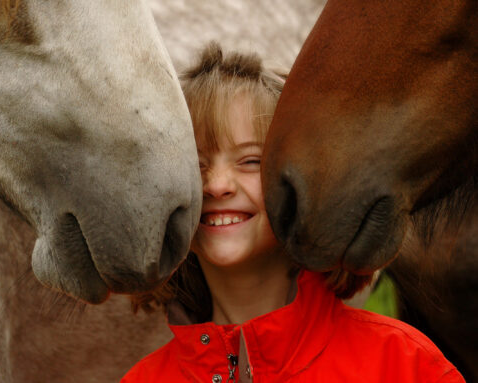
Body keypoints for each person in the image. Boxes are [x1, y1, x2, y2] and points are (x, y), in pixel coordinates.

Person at [121, 42, 464, 383]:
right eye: (196, 166)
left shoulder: (404, 365)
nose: (217, 184)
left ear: (305, 183)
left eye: (250, 161)